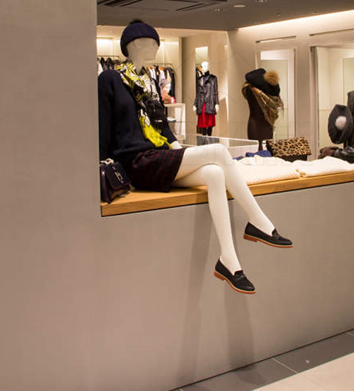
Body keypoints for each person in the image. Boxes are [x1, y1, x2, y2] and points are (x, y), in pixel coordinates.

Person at [98, 20, 292, 294]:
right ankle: (258, 221)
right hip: (135, 163)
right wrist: (106, 173)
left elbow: (162, 126)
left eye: (155, 43)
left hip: (156, 156)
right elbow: (102, 128)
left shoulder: (149, 81)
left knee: (214, 173)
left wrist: (181, 151)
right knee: (218, 151)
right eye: (149, 42)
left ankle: (229, 261)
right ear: (132, 45)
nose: (154, 48)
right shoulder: (110, 79)